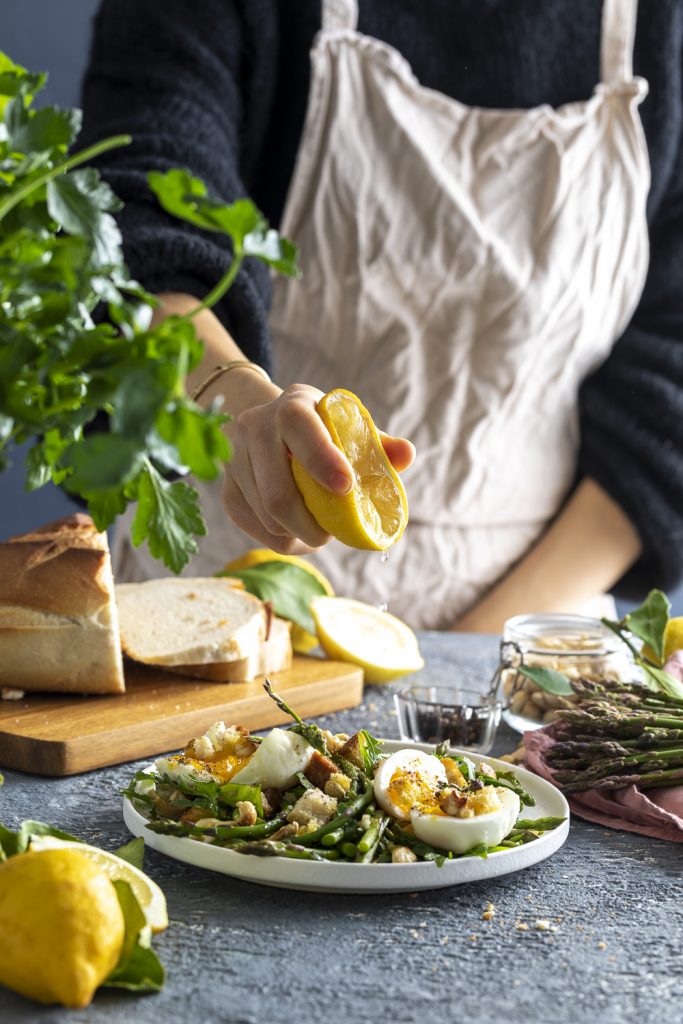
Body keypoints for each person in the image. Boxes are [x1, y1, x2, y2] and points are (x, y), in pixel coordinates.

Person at [78, 0, 683, 631]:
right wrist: (229, 394)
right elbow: (137, 217)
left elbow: (668, 395)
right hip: (223, 605)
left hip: (534, 633)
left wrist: (470, 658)